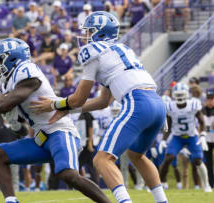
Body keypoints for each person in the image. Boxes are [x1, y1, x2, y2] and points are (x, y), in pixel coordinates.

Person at [30, 11, 167, 203]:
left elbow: (78, 98)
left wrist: (55, 104)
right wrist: (68, 109)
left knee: (101, 159)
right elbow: (103, 101)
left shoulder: (93, 51)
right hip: (157, 103)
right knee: (137, 155)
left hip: (137, 102)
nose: (85, 36)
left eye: (89, 31)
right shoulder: (122, 50)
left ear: (100, 33)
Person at [0, 38, 111, 203]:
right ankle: (11, 201)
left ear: (12, 58)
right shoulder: (10, 82)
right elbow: (18, 127)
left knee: (68, 174)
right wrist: (13, 121)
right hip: (41, 138)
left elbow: (3, 105)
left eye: (0, 60)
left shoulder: (26, 70)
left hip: (59, 131)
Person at [158, 83, 212, 192]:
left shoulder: (193, 104)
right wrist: (163, 140)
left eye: (181, 94)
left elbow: (202, 122)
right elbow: (168, 125)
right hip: (177, 137)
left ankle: (206, 185)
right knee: (168, 157)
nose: (179, 97)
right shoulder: (170, 106)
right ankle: (160, 184)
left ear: (187, 94)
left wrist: (202, 135)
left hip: (192, 136)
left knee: (197, 160)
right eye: (177, 95)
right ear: (173, 95)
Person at [202, 91, 214, 187]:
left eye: (211, 98)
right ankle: (210, 182)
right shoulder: (202, 110)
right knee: (208, 163)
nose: (210, 101)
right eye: (208, 99)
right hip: (207, 139)